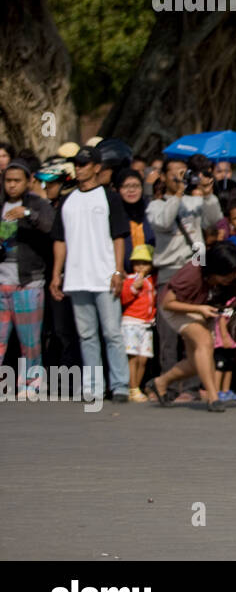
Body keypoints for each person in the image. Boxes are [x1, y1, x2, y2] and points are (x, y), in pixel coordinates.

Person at [51, 145, 131, 403]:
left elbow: (119, 236)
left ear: (97, 167)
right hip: (76, 277)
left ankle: (119, 385)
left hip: (105, 276)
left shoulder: (110, 198)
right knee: (86, 335)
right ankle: (93, 386)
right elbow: (60, 240)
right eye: (77, 164)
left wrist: (118, 270)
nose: (79, 168)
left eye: (84, 164)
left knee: (112, 333)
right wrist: (56, 273)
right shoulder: (67, 200)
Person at [144, 241, 236, 411]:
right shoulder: (193, 272)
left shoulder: (235, 271)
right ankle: (213, 397)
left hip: (203, 307)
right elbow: (167, 303)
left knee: (197, 363)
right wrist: (198, 309)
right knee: (205, 343)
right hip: (179, 307)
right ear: (214, 270)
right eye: (227, 276)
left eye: (234, 274)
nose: (231, 278)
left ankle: (160, 383)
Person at [147, 156, 222, 383]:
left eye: (184, 172)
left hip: (195, 268)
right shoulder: (155, 205)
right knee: (169, 335)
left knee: (196, 331)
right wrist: (179, 193)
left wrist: (207, 192)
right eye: (176, 173)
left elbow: (214, 220)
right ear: (163, 176)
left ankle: (194, 385)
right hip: (170, 269)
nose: (181, 177)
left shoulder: (195, 202)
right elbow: (163, 222)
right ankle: (168, 385)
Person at [1, 159, 55, 397]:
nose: (11, 186)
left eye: (17, 181)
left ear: (28, 181)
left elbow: (49, 226)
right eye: (8, 181)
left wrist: (27, 214)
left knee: (30, 341)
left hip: (28, 282)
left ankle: (31, 384)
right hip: (2, 282)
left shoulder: (38, 205)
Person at [119, 244, 156, 403]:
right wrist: (134, 288)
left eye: (145, 262)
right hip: (131, 323)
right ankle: (132, 388)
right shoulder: (129, 280)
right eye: (137, 262)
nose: (140, 266)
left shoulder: (153, 280)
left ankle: (136, 387)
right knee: (132, 357)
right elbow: (123, 298)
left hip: (146, 325)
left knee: (143, 359)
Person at [114, 168, 156, 265]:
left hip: (153, 273)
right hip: (123, 275)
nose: (131, 190)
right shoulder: (114, 214)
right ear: (117, 189)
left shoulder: (151, 209)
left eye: (136, 186)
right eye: (126, 186)